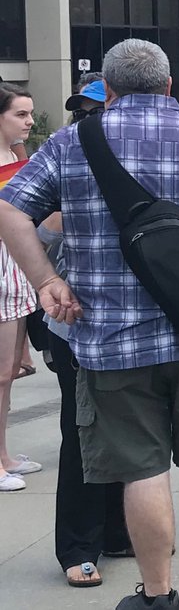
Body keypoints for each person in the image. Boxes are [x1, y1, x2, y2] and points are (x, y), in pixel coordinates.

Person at [0, 39, 179, 610]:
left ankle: (157, 594)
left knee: (141, 469)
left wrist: (47, 281)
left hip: (109, 338)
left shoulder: (72, 142)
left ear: (110, 89)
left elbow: (10, 208)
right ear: (169, 86)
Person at [36, 74, 134, 587]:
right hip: (74, 322)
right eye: (83, 110)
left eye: (98, 108)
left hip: (130, 320)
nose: (90, 119)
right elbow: (26, 230)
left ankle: (119, 531)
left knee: (130, 432)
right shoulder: (63, 160)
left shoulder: (146, 154)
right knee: (81, 431)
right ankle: (79, 543)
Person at [0, 82, 40, 493]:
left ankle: (4, 455)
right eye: (21, 115)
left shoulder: (17, 155)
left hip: (14, 269)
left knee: (7, 375)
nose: (29, 121)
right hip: (2, 267)